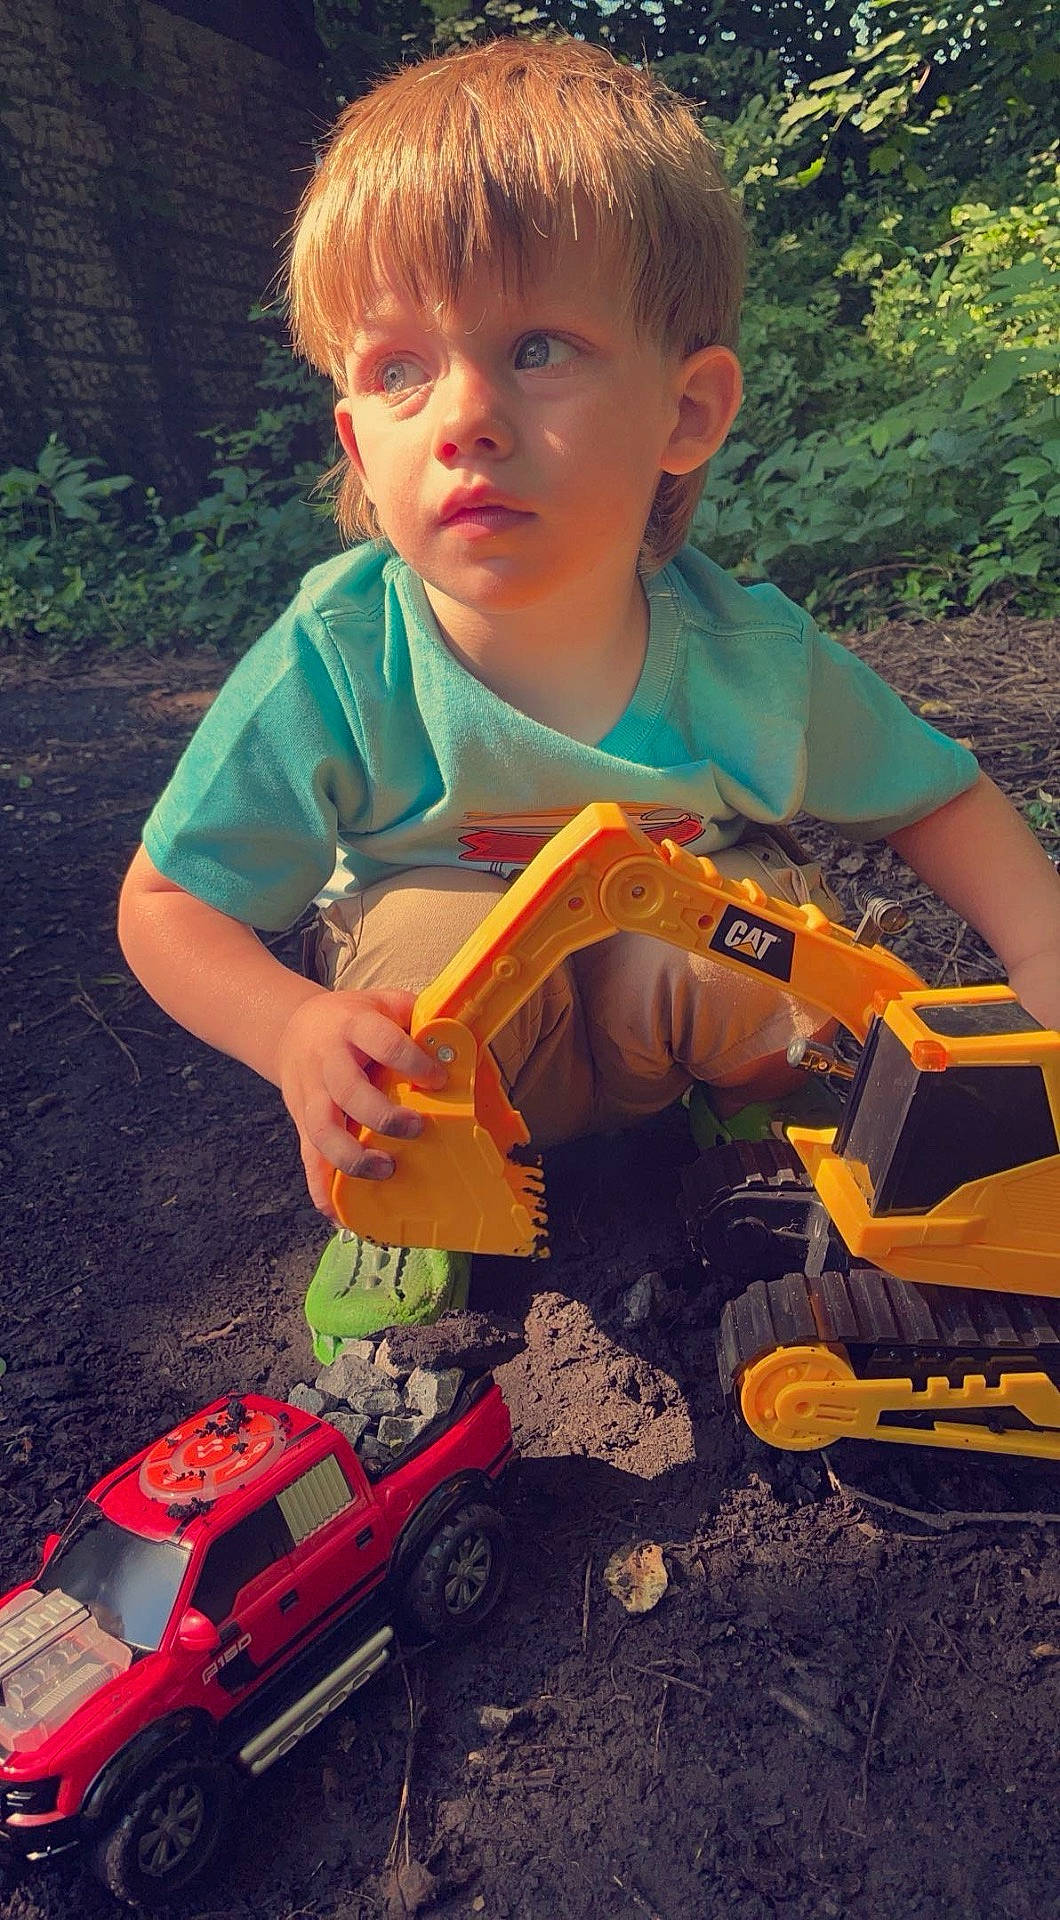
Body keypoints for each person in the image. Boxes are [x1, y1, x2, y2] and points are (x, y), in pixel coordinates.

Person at [118, 37, 1060, 1349]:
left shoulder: (747, 661)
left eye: (538, 346)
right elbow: (167, 903)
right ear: (355, 439)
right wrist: (296, 1030)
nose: (465, 415)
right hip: (453, 1064)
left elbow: (938, 795)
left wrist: (1041, 956)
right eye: (397, 368)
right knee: (418, 949)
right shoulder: (339, 658)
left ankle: (754, 1133)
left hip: (663, 1017)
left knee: (787, 925)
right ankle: (410, 1211)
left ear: (686, 411)